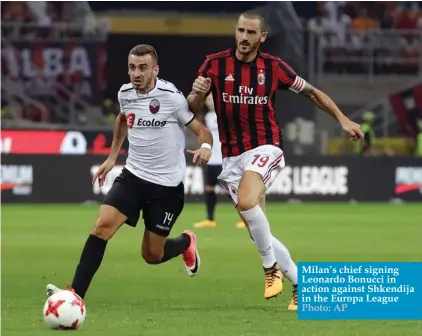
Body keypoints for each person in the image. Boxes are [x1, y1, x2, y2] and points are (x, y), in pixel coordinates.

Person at [187, 10, 363, 310]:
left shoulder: (274, 67)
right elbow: (191, 107)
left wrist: (342, 118)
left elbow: (312, 93)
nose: (244, 38)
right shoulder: (214, 65)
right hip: (231, 158)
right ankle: (300, 283)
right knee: (260, 232)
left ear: (262, 37)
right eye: (241, 31)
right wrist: (196, 93)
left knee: (246, 202)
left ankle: (270, 270)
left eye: (251, 33)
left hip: (265, 148)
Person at [46, 44, 213, 300]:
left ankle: (185, 243)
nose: (136, 73)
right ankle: (75, 295)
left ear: (155, 70)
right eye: (132, 68)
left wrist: (204, 147)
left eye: (143, 68)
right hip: (133, 177)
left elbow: (203, 130)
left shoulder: (171, 97)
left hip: (166, 188)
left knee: (152, 255)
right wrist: (112, 157)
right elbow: (123, 119)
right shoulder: (126, 93)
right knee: (102, 226)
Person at [193, 95, 246, 229]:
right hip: (211, 159)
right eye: (208, 99)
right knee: (209, 189)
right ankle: (210, 219)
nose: (210, 101)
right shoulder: (207, 117)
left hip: (225, 159)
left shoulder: (225, 114)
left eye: (212, 98)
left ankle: (245, 219)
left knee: (232, 191)